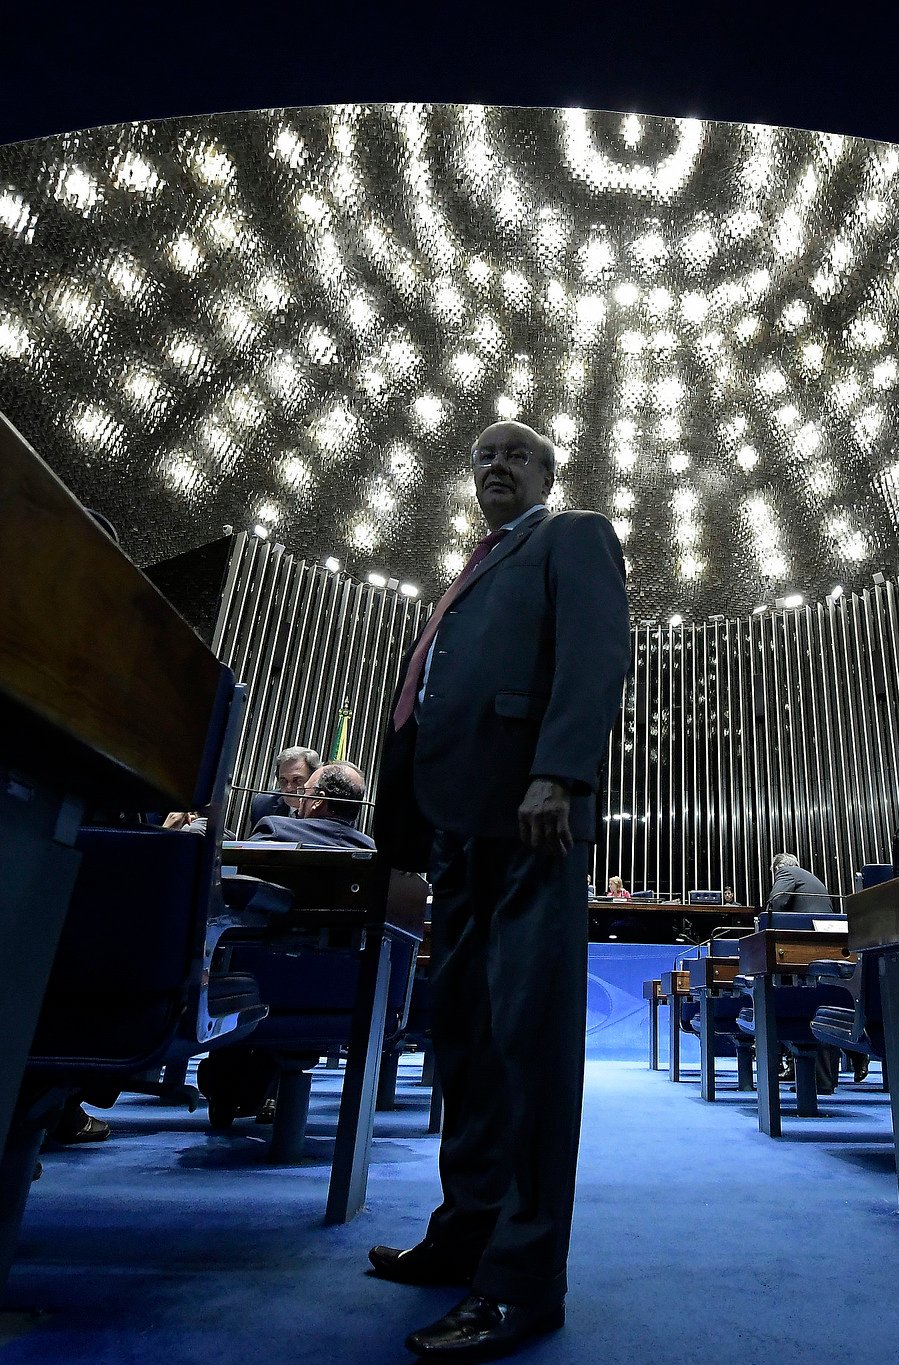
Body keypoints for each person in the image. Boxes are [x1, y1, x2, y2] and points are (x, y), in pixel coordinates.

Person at [369, 418, 629, 1362]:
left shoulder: (571, 536)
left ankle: (521, 1280)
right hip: (457, 828)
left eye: (517, 452)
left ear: (551, 476)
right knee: (467, 1041)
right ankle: (466, 1232)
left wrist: (557, 771)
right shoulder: (468, 574)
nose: (496, 463)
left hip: (531, 817)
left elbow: (597, 659)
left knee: (528, 1042)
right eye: (483, 453)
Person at [252, 762, 376, 850]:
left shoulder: (275, 830)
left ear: (318, 800)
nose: (301, 799)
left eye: (304, 791)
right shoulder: (371, 849)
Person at [247, 746, 321, 833]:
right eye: (283, 780)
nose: (289, 788)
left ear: (314, 779)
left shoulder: (328, 807)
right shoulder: (263, 805)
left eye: (297, 780)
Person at [765, 853, 832, 919]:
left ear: (777, 868)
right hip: (826, 921)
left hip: (807, 921)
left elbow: (777, 900)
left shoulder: (785, 871)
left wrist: (766, 920)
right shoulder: (806, 875)